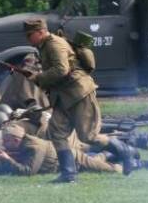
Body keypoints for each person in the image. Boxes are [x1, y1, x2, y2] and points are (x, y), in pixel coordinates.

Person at [22, 18, 137, 182]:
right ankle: (69, 174)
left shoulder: (54, 44)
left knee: (88, 136)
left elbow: (62, 70)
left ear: (40, 32)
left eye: (30, 35)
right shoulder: (45, 45)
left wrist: (39, 77)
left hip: (79, 94)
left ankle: (124, 150)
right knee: (56, 132)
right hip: (63, 96)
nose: (28, 39)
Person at [0, 126, 148, 176]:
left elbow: (28, 171)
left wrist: (6, 158)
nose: (3, 144)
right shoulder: (22, 145)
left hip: (73, 159)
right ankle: (124, 152)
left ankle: (138, 163)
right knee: (99, 156)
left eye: (6, 141)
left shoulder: (34, 147)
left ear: (16, 140)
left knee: (107, 169)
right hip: (67, 158)